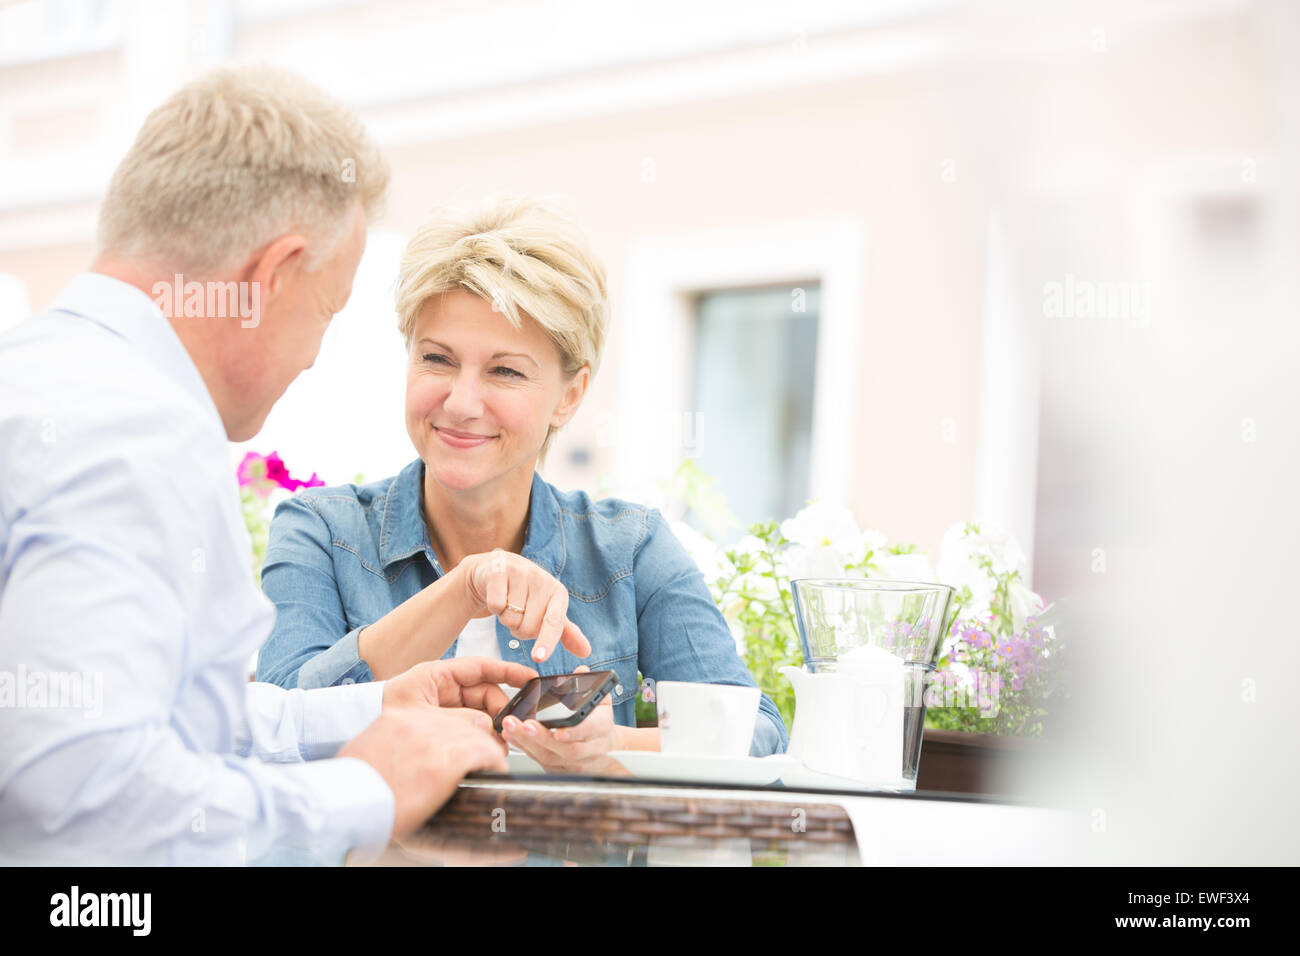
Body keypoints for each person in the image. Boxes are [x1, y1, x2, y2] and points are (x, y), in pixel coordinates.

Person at [0, 65, 537, 866]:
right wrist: (364, 789)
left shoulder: (45, 378)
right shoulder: (136, 433)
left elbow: (143, 718)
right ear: (268, 277)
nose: (316, 357)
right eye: (326, 308)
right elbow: (85, 791)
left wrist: (371, 711)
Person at [255, 197, 788, 772]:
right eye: (437, 359)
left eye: (504, 371)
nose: (459, 403)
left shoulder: (628, 548)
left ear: (570, 395)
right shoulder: (321, 531)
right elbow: (277, 724)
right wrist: (464, 589)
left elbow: (757, 730)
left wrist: (609, 744)